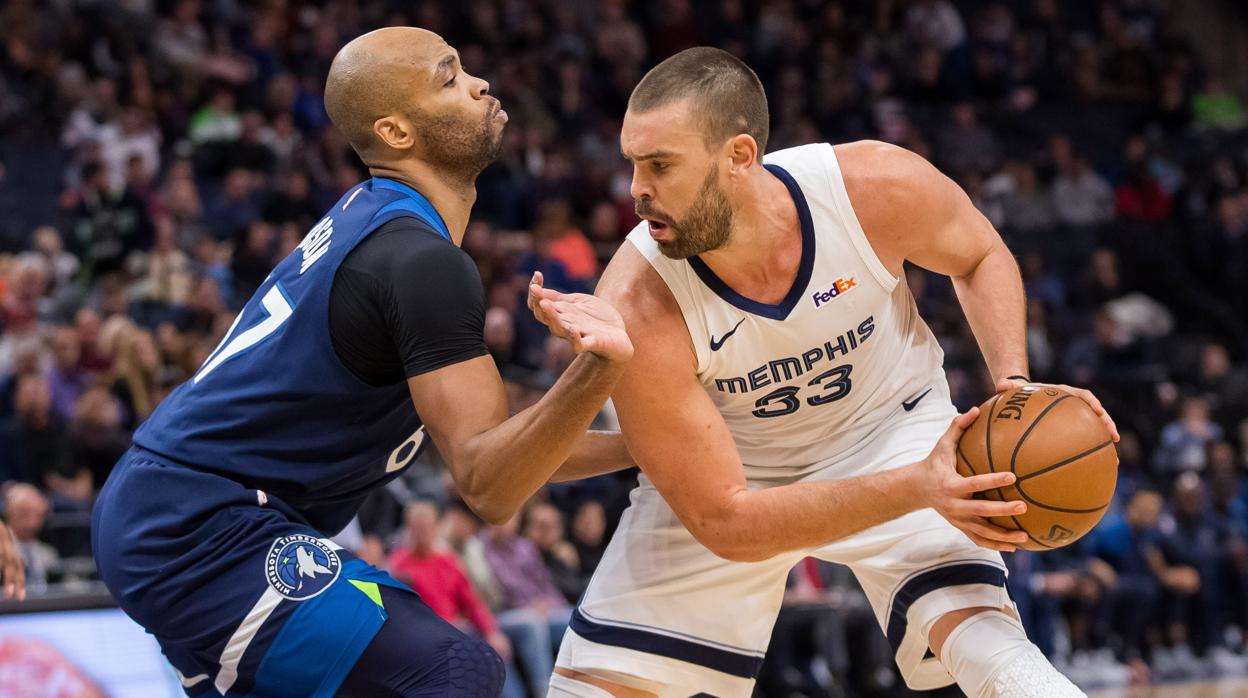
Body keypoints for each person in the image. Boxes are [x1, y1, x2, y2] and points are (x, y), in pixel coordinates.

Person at [533, 48, 1118, 698]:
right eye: (632, 163)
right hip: (729, 467)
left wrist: (1015, 383)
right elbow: (725, 520)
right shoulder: (638, 302)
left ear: (739, 156)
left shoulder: (873, 189)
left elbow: (979, 255)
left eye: (660, 165)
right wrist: (917, 487)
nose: (635, 188)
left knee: (986, 645)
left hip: (888, 426)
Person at [91, 26, 633, 698]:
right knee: (452, 670)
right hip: (200, 523)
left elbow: (505, 442)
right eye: (450, 76)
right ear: (398, 133)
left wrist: (642, 445)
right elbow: (491, 484)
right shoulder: (420, 262)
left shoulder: (379, 220)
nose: (480, 83)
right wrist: (597, 369)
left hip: (184, 512)